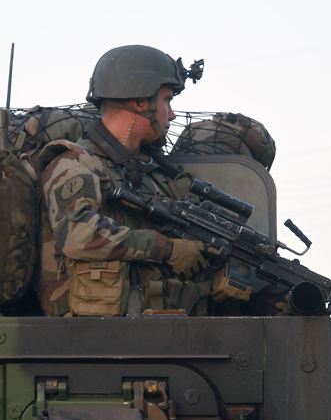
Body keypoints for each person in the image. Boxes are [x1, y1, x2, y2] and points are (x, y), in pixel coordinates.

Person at [36, 44, 234, 317]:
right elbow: (79, 234)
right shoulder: (74, 163)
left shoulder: (154, 174)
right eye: (167, 100)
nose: (172, 114)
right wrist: (166, 248)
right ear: (140, 101)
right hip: (89, 340)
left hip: (158, 332)